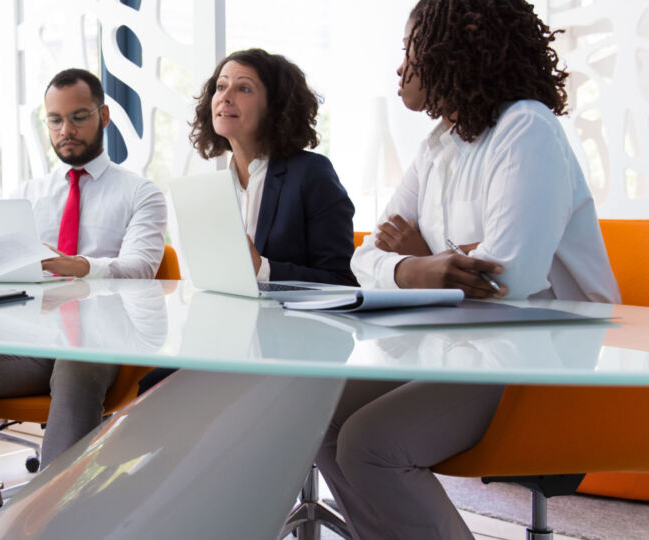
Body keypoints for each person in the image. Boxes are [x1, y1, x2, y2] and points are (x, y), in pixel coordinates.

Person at [319, 1, 621, 538]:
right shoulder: (437, 146)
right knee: (314, 420)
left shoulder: (527, 128)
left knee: (370, 444)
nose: (401, 66)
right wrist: (425, 266)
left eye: (411, 47)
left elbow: (507, 278)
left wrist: (420, 260)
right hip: (469, 347)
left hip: (546, 362)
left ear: (449, 50)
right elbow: (363, 258)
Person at [0, 68, 168, 530]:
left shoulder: (140, 193)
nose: (65, 131)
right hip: (31, 340)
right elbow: (2, 272)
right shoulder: (27, 197)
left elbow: (142, 269)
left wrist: (83, 265)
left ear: (104, 116)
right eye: (54, 120)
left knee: (74, 364)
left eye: (77, 117)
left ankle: (48, 520)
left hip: (102, 340)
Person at [138, 48, 358, 395]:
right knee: (149, 393)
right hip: (225, 343)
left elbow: (343, 284)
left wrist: (262, 269)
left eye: (243, 88)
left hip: (289, 354)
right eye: (220, 87)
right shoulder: (214, 186)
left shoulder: (311, 174)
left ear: (275, 106)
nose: (224, 97)